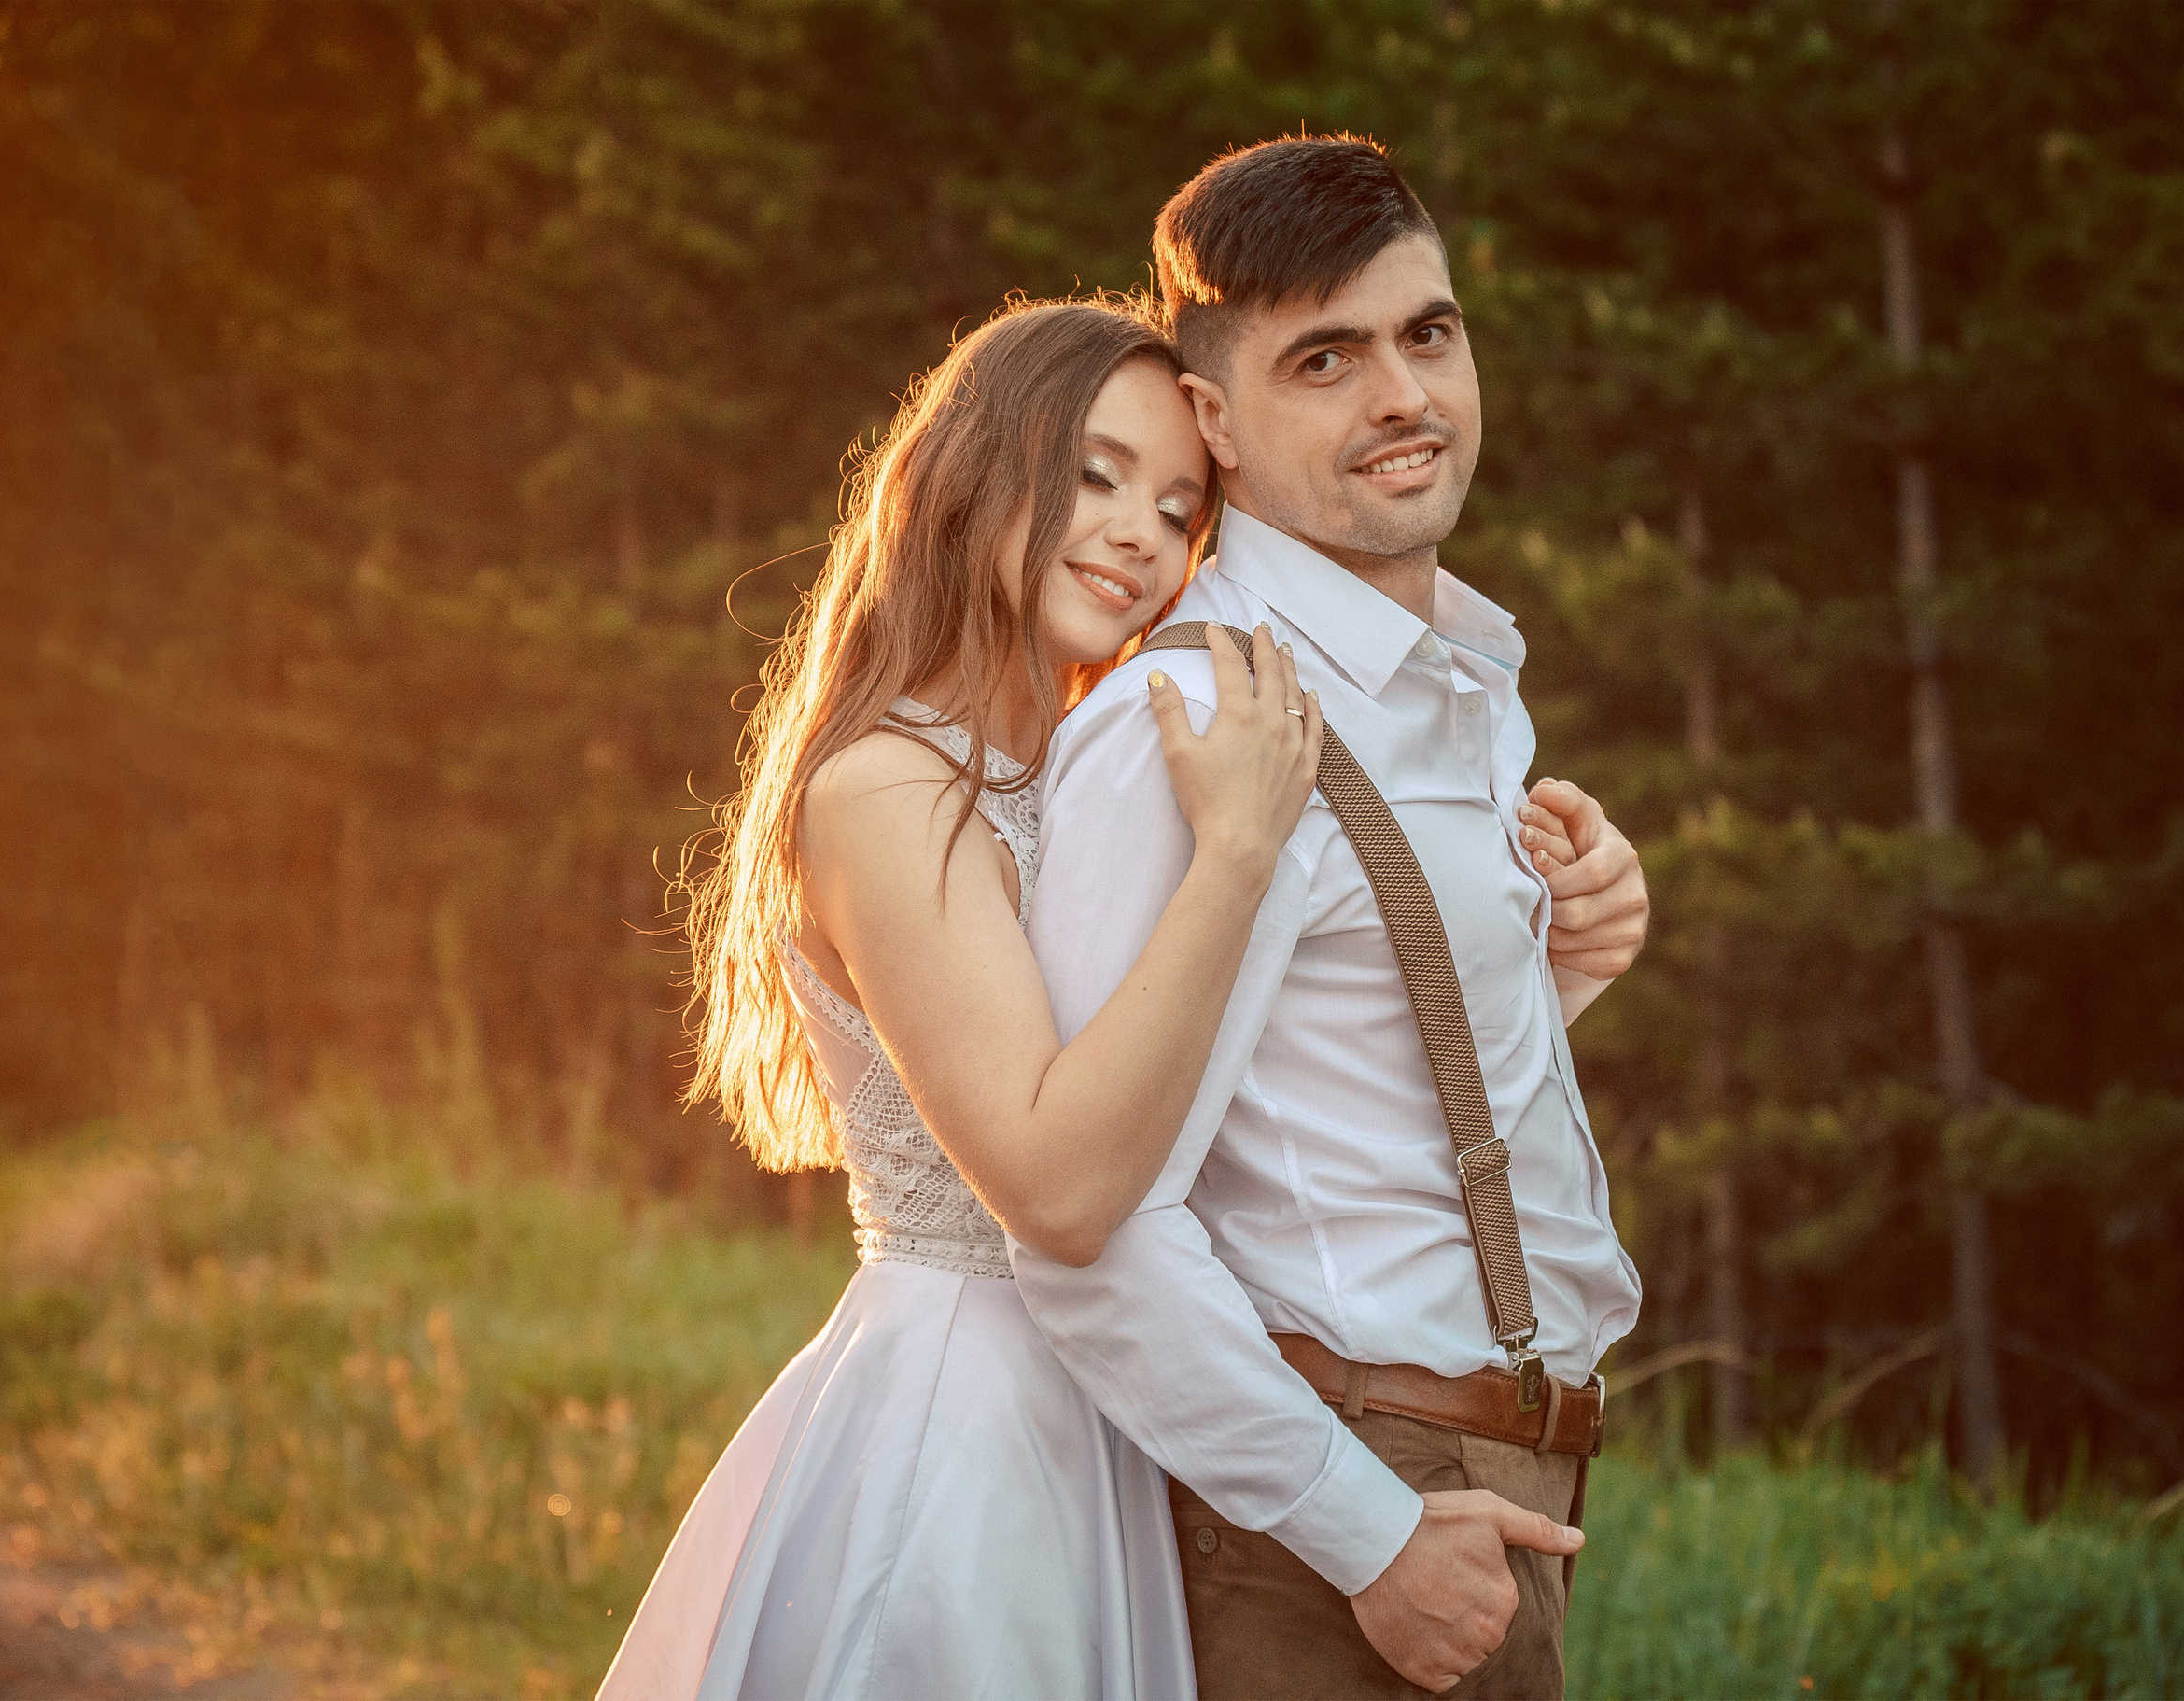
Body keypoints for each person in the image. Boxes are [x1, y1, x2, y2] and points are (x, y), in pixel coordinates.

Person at [595, 296, 1330, 1699]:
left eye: (1181, 510)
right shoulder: (886, 786)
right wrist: (1236, 853)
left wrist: (1564, 941)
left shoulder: (1086, 777)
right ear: (977, 467)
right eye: (1097, 472)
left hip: (1108, 1416)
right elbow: (1053, 1186)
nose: (1139, 534)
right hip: (962, 1431)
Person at [1012, 136, 1647, 1701]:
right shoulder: (1190, 723)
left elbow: (1325, 1102)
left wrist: (1553, 969)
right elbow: (1092, 1225)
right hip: (1345, 1506)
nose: (1403, 398)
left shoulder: (1461, 682)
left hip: (1496, 1482)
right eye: (1327, 358)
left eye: (1427, 333)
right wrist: (1361, 1529)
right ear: (1215, 420)